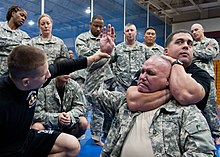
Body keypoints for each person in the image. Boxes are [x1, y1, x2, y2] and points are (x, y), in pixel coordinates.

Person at [0, 24, 115, 157]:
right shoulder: (3, 99)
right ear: (26, 82)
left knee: (71, 145)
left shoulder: (34, 77)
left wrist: (96, 56)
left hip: (25, 138)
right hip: (4, 148)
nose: (49, 76)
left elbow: (62, 67)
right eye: (44, 75)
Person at [85, 55, 215, 157]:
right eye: (142, 72)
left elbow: (202, 152)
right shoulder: (124, 103)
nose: (142, 77)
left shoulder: (186, 112)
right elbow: (92, 93)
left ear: (167, 81)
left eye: (150, 73)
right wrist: (101, 58)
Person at [74, 15, 114, 146]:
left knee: (99, 108)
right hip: (84, 78)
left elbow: (110, 57)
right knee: (82, 107)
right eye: (95, 25)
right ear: (90, 24)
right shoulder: (82, 38)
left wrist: (105, 50)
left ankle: (97, 137)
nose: (98, 28)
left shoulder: (107, 39)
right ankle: (79, 135)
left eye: (100, 26)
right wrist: (100, 50)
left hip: (102, 78)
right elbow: (82, 53)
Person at [32, 56, 88, 139]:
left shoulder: (74, 85)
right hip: (50, 124)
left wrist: (70, 116)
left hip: (68, 123)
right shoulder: (43, 86)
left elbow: (81, 106)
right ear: (57, 70)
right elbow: (36, 113)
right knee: (36, 127)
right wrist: (57, 118)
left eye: (69, 70)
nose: (67, 73)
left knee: (83, 122)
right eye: (64, 70)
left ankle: (73, 141)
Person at [191, 23, 220, 144]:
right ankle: (199, 134)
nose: (194, 32)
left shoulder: (211, 41)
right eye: (192, 31)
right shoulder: (191, 44)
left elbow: (210, 54)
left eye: (196, 30)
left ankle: (216, 134)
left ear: (202, 30)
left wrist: (193, 53)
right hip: (192, 78)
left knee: (210, 108)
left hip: (207, 79)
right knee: (194, 108)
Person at [111, 23, 152, 92]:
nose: (129, 32)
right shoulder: (117, 48)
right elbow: (108, 62)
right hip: (121, 86)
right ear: (124, 33)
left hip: (138, 85)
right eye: (127, 31)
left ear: (136, 32)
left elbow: (152, 63)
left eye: (132, 30)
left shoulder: (143, 48)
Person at [0, 5, 30, 76]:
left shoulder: (24, 36)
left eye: (25, 17)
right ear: (13, 13)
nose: (23, 18)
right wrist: (16, 45)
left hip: (11, 76)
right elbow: (17, 49)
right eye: (21, 15)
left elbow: (22, 53)